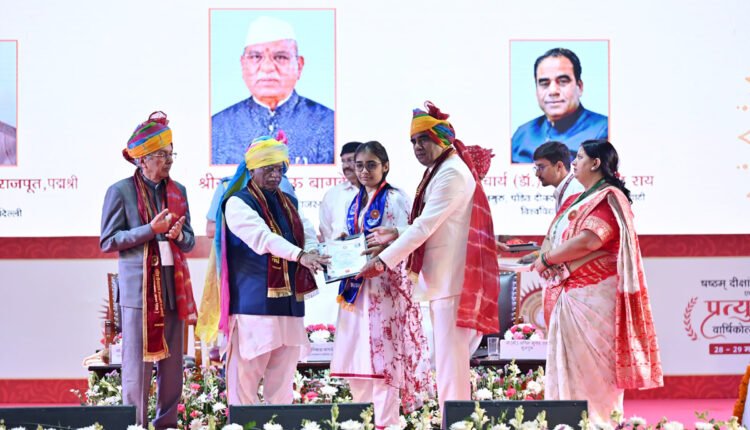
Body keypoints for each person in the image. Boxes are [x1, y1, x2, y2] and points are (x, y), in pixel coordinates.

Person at [359, 102, 499, 416]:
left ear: (441, 138)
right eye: (413, 141)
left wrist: (382, 261)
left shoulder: (451, 173)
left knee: (451, 363)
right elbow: (434, 223)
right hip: (444, 281)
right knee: (450, 361)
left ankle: (456, 421)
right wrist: (396, 232)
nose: (417, 147)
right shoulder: (441, 169)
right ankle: (456, 419)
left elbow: (425, 226)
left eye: (423, 139)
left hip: (452, 280)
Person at [532, 139, 663, 422]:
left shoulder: (607, 198)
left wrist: (548, 259)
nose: (574, 162)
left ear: (595, 163)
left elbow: (590, 240)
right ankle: (567, 424)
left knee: (593, 373)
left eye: (579, 157)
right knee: (573, 368)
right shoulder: (583, 198)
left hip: (593, 298)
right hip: (573, 294)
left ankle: (599, 424)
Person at [100, 111, 197, 428]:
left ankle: (166, 424)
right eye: (161, 155)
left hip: (172, 287)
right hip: (139, 291)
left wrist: (178, 235)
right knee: (137, 368)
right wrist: (149, 230)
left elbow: (190, 241)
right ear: (142, 159)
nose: (168, 161)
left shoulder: (178, 191)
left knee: (173, 367)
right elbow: (108, 241)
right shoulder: (120, 191)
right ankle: (136, 425)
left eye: (171, 154)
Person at [216, 134, 329, 405]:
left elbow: (306, 230)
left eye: (279, 169)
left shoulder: (288, 201)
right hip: (254, 306)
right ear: (252, 169)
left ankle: (279, 423)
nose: (275, 175)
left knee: (282, 382)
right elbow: (263, 238)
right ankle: (241, 424)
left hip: (289, 304)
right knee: (245, 381)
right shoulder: (237, 202)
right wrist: (300, 255)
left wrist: (312, 250)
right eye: (268, 169)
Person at [330, 141, 432, 429]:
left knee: (384, 357)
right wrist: (342, 245)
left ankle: (387, 423)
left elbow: (410, 238)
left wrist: (382, 254)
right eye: (359, 165)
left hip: (385, 288)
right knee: (357, 356)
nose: (364, 171)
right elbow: (351, 236)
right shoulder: (353, 201)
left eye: (371, 165)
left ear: (385, 166)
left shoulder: (396, 198)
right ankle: (362, 421)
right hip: (355, 289)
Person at [212, 15, 334, 165]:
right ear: (243, 65)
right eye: (256, 57)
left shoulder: (329, 123)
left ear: (299, 65)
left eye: (281, 57)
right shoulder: (216, 127)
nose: (267, 67)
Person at [511, 48, 608, 163]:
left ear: (580, 87)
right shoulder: (522, 134)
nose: (553, 91)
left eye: (563, 81)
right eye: (544, 83)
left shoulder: (604, 131)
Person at [318, 141, 361, 242]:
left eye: (350, 160)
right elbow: (325, 230)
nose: (345, 166)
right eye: (343, 161)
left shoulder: (381, 193)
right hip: (338, 250)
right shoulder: (333, 194)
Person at [533, 141, 583, 213]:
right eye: (536, 168)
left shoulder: (576, 192)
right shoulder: (565, 190)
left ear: (559, 166)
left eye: (541, 167)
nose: (537, 174)